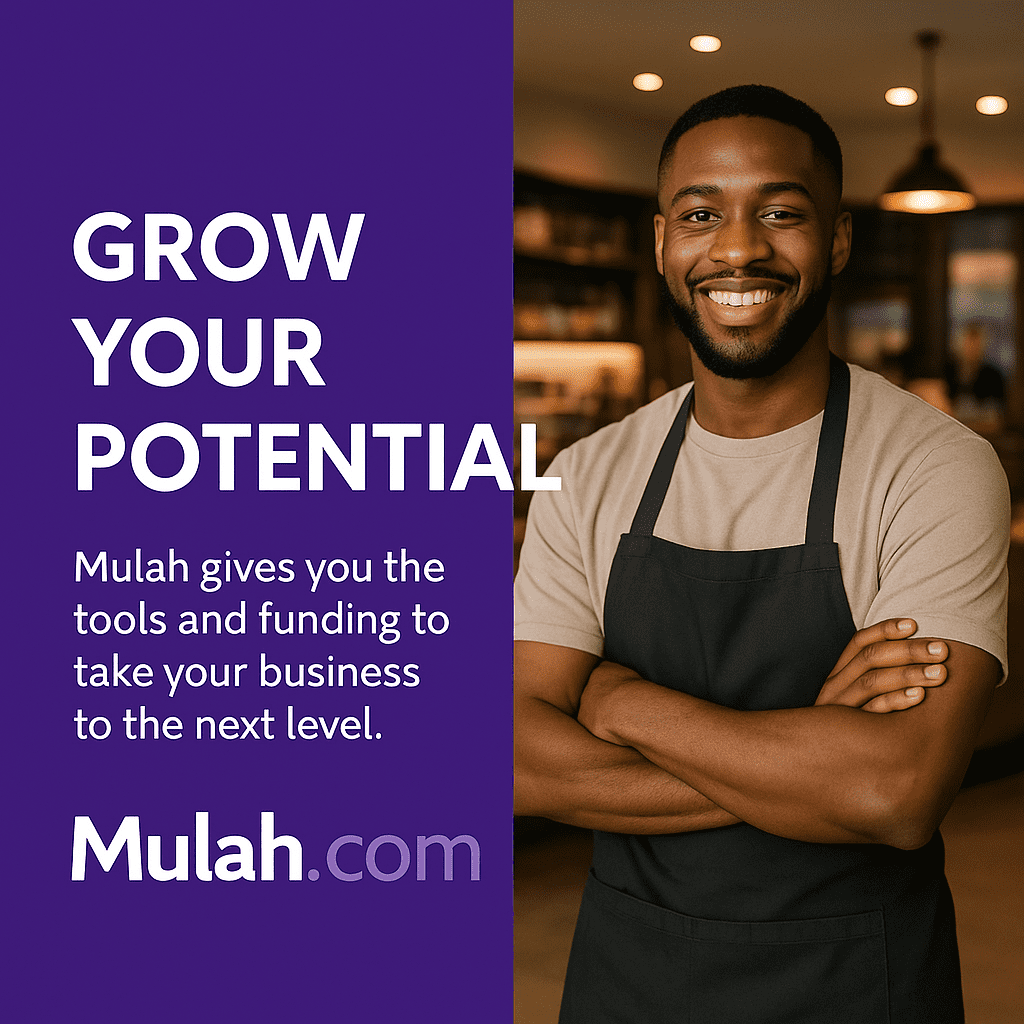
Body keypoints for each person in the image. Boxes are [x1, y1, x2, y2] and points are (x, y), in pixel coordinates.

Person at [513, 85, 1009, 1024]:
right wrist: (803, 754)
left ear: (838, 239)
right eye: (702, 214)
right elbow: (514, 763)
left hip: (856, 984)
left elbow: (895, 790)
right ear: (663, 241)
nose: (737, 248)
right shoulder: (586, 474)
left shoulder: (936, 468)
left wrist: (619, 699)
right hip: (628, 979)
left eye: (781, 212)